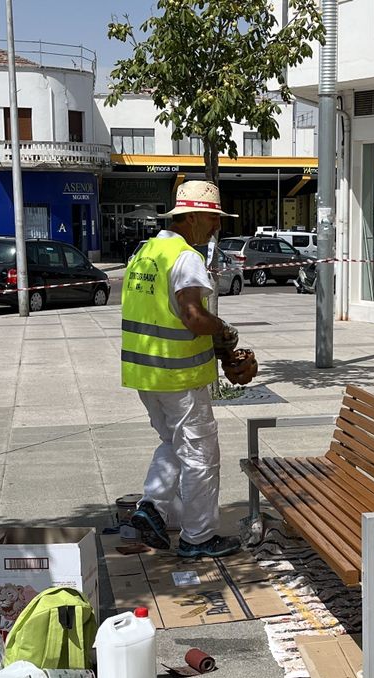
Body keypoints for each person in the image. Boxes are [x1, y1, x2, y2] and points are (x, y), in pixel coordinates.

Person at [123, 180, 244, 559]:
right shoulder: (185, 257)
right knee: (201, 457)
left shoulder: (145, 253)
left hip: (146, 374)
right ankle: (198, 537)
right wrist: (224, 330)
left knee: (172, 443)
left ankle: (151, 508)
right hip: (180, 377)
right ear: (191, 217)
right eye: (212, 219)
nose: (217, 226)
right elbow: (193, 316)